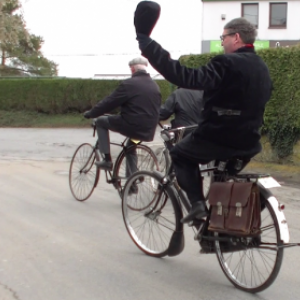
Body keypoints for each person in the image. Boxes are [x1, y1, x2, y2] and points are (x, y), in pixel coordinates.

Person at [134, 3, 272, 223]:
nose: (222, 42)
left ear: (235, 37)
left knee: (180, 154)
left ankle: (197, 206)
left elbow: (185, 77)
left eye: (223, 37)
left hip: (220, 136)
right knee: (221, 177)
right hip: (249, 141)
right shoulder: (261, 66)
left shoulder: (226, 63)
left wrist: (147, 43)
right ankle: (220, 229)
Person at [83, 57, 162, 179]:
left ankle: (107, 160)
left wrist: (91, 113)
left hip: (131, 125)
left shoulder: (129, 84)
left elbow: (109, 102)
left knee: (100, 122)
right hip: (148, 129)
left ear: (132, 69)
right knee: (131, 147)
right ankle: (132, 182)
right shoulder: (155, 86)